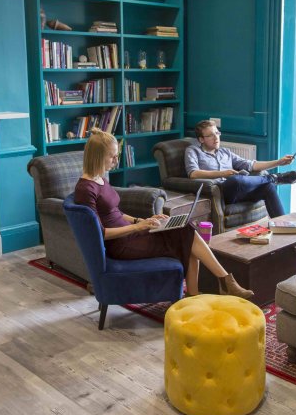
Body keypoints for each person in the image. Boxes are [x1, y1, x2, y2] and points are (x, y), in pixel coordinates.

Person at [73, 128, 254, 299]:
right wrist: (138, 227)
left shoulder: (101, 180)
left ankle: (206, 290)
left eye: (116, 156)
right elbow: (100, 233)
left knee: (186, 228)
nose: (115, 161)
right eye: (111, 157)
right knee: (187, 237)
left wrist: (142, 220)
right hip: (121, 245)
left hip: (132, 233)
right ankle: (218, 285)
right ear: (97, 157)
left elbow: (115, 212)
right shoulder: (86, 189)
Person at [184, 120, 296, 218]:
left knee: (267, 187)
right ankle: (275, 178)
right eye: (210, 135)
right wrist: (223, 173)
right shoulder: (193, 151)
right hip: (220, 192)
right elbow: (193, 173)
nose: (216, 137)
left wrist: (279, 161)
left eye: (217, 133)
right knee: (236, 180)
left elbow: (251, 165)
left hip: (238, 191)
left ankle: (282, 226)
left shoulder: (225, 152)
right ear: (201, 139)